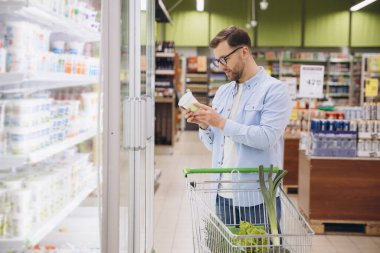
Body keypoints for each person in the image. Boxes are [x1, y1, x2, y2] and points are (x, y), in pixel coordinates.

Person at [182, 26, 292, 227]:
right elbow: (214, 146)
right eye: (218, 61)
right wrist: (205, 125)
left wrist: (221, 122)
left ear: (244, 52)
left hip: (258, 198)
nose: (221, 66)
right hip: (222, 195)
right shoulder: (223, 92)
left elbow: (266, 138)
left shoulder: (275, 90)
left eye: (225, 59)